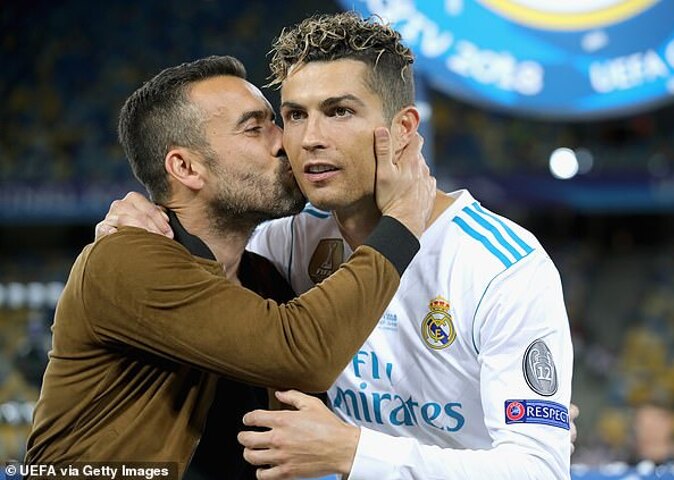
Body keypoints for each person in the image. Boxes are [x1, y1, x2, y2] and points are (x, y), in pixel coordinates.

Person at [99, 12, 575, 479]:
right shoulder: (285, 241)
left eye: (339, 111)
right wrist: (137, 223)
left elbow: (539, 470)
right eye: (295, 115)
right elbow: (199, 254)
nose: (309, 139)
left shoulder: (502, 266)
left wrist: (352, 452)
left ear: (404, 128)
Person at [25, 54, 436, 478]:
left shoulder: (264, 277)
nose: (285, 142)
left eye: (277, 121)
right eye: (255, 128)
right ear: (186, 167)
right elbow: (302, 353)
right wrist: (402, 221)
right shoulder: (128, 258)